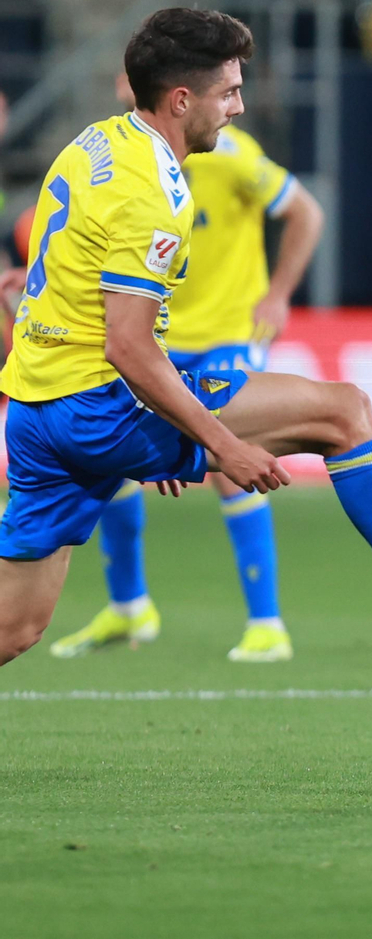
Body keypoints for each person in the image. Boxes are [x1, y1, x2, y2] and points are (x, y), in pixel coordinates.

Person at [0, 8, 372, 681]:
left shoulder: (96, 141)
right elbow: (127, 344)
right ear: (182, 100)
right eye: (228, 92)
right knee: (343, 412)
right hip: (98, 406)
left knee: (16, 624)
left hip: (39, 409)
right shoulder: (156, 193)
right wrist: (220, 442)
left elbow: (72, 279)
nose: (238, 107)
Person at [46, 73, 324, 663]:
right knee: (114, 460)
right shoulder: (116, 159)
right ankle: (129, 607)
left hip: (227, 333)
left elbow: (306, 212)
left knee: (228, 461)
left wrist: (277, 294)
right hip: (153, 339)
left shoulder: (229, 154)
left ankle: (267, 622)